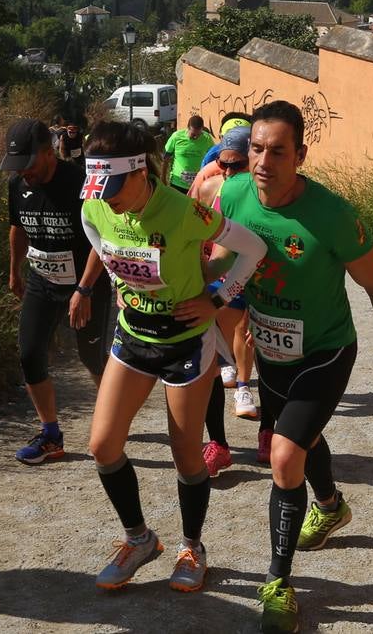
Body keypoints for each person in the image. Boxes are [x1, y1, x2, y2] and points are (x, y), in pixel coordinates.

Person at [213, 100, 373, 634]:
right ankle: (330, 505)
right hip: (272, 352)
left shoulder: (331, 215)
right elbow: (221, 257)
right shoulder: (235, 193)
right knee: (300, 440)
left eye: (277, 152)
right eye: (255, 149)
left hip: (325, 353)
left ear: (300, 155)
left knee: (284, 457)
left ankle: (279, 585)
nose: (262, 162)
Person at [78, 122, 266, 593]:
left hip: (185, 341)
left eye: (116, 187)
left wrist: (220, 298)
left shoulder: (182, 211)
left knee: (186, 455)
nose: (108, 198)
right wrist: (123, 283)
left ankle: (192, 547)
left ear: (142, 171)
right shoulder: (97, 206)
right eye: (101, 189)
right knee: (102, 446)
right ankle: (139, 540)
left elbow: (253, 249)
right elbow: (93, 233)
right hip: (133, 337)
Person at [1, 119, 114, 465]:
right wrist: (14, 272)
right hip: (42, 279)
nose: (24, 173)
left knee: (91, 357)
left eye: (29, 165)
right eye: (17, 166)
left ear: (49, 154)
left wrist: (84, 288)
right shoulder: (18, 186)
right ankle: (50, 434)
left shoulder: (81, 185)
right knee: (30, 353)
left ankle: (113, 415)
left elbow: (102, 240)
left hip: (88, 283)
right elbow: (17, 228)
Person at [194, 125, 259, 479]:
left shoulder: (265, 193)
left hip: (259, 277)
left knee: (250, 335)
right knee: (220, 345)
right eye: (225, 164)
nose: (230, 172)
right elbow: (197, 233)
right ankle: (218, 443)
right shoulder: (208, 186)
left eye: (238, 166)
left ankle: (247, 394)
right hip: (222, 272)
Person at [162, 115, 215, 194]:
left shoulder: (207, 139)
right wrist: (163, 177)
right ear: (188, 128)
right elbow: (165, 159)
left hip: (198, 184)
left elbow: (213, 159)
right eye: (193, 134)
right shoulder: (176, 137)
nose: (195, 137)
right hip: (178, 184)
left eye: (198, 134)